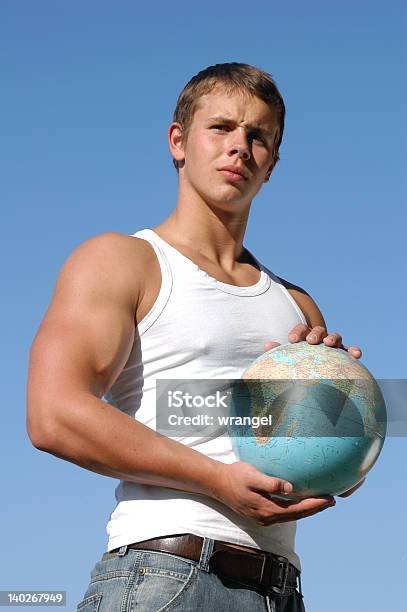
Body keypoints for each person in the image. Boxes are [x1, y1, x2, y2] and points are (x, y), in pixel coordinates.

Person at [27, 63, 364, 612]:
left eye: (259, 137)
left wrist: (343, 410)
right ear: (178, 142)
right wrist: (216, 480)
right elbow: (53, 414)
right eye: (222, 128)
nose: (240, 147)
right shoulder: (122, 261)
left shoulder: (297, 305)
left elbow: (336, 479)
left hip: (280, 591)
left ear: (272, 165)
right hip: (168, 575)